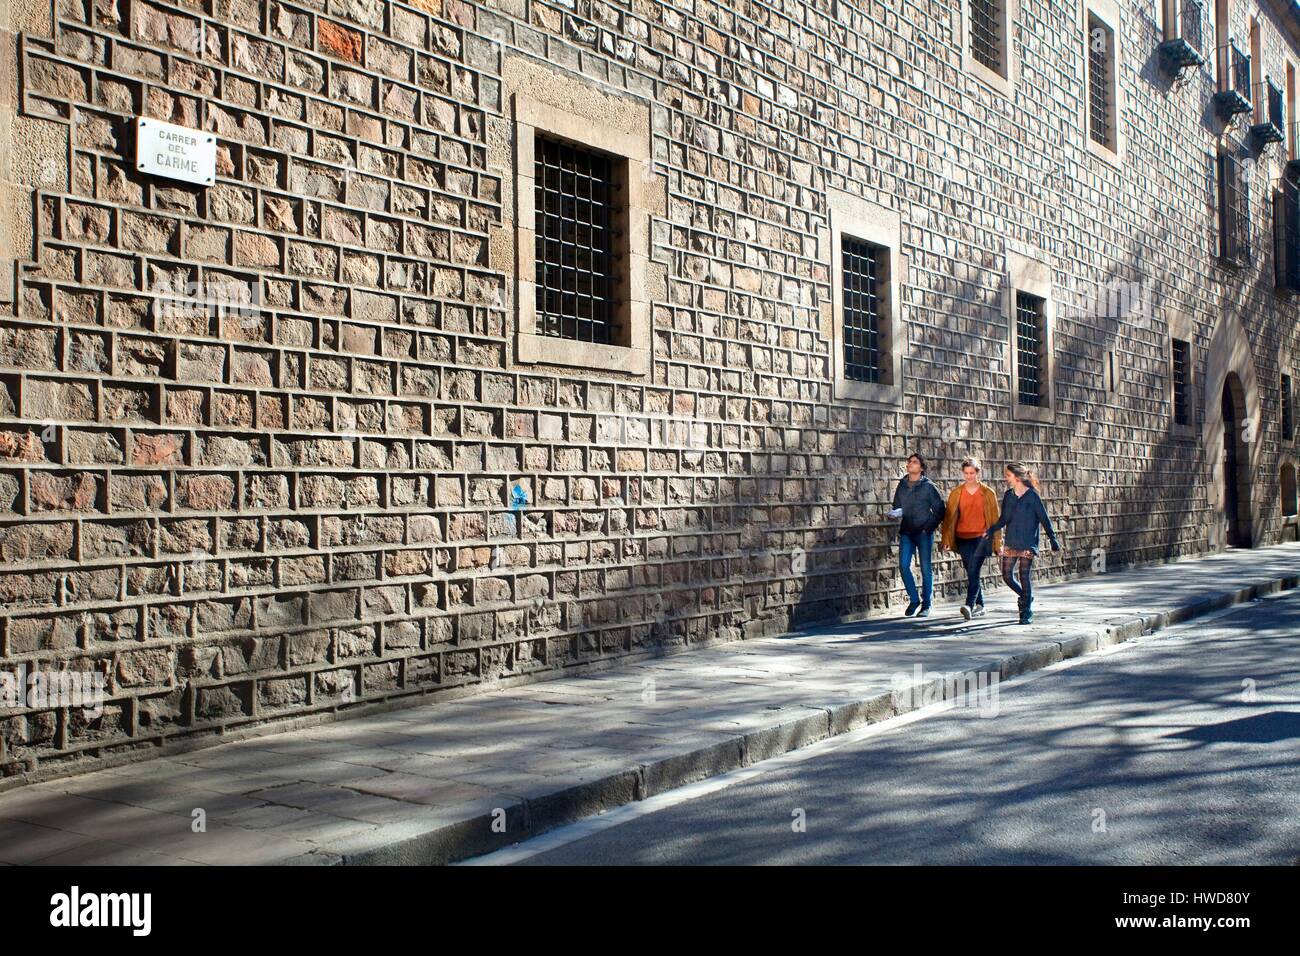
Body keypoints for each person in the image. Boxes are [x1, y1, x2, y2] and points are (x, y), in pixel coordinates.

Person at [982, 463, 1061, 625]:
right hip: (1012, 541)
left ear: (1017, 477)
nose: (1006, 478)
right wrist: (991, 530)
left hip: (1027, 542)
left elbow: (1044, 518)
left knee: (1024, 577)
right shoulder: (1009, 496)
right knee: (1006, 575)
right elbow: (1004, 519)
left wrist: (1053, 539)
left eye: (1008, 475)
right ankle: (1026, 596)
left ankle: (1026, 611)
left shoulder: (1032, 496)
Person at [939, 457, 1001, 620]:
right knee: (972, 572)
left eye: (972, 473)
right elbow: (949, 517)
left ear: (978, 473)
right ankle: (980, 605)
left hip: (982, 538)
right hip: (962, 537)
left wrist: (997, 543)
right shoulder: (956, 493)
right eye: (966, 473)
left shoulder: (988, 493)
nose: (969, 476)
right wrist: (946, 539)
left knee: (974, 570)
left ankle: (969, 605)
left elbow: (995, 519)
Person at [889, 452, 945, 618]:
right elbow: (897, 505)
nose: (910, 464)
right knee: (904, 565)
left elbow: (940, 510)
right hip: (907, 531)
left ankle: (926, 604)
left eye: (914, 462)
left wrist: (928, 528)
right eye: (909, 462)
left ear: (921, 467)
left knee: (926, 568)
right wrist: (895, 513)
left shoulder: (928, 486)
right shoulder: (902, 484)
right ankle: (914, 600)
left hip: (924, 533)